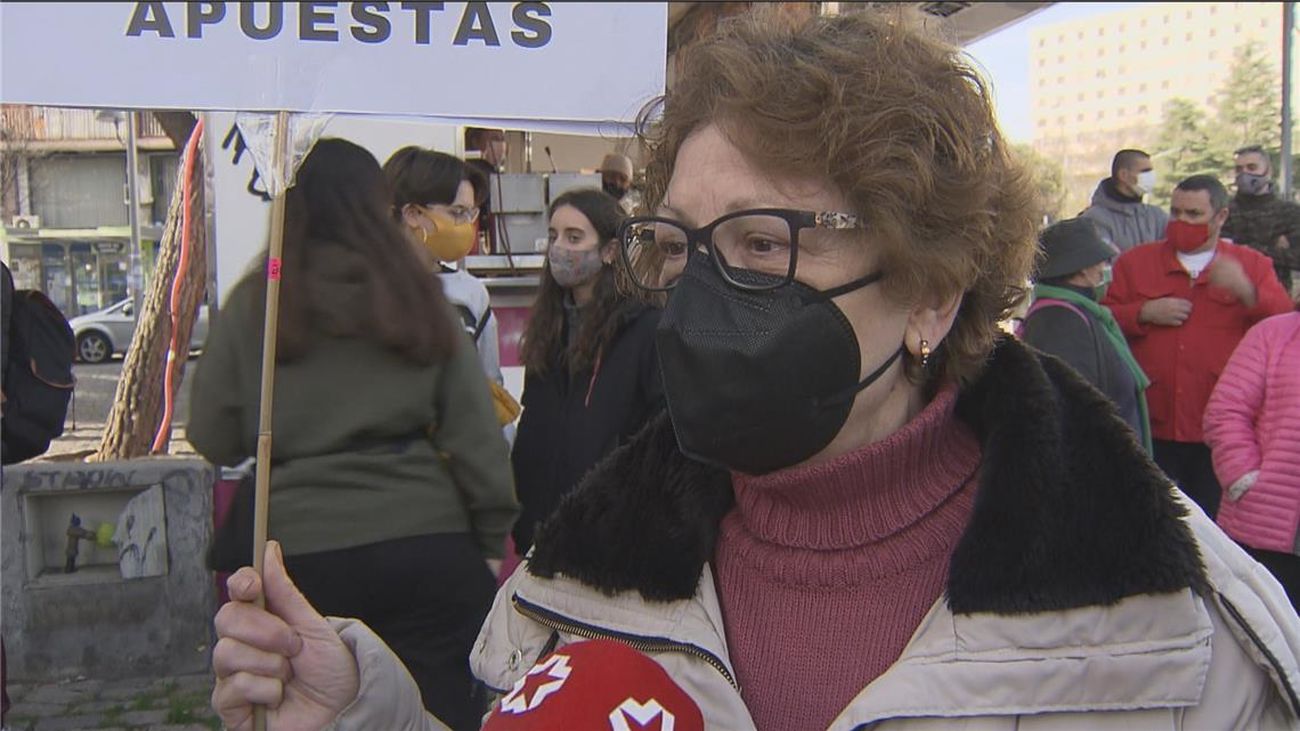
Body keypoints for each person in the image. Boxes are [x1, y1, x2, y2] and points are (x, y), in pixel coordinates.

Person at [211, 10, 1300, 731]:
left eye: (765, 244)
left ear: (931, 288)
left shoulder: (1178, 625)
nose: (695, 300)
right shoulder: (576, 582)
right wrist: (368, 711)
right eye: (680, 244)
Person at [188, 138, 517, 730]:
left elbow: (213, 433)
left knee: (303, 713)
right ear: (381, 208)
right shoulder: (420, 298)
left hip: (293, 559)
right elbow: (477, 440)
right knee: (440, 713)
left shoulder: (260, 301)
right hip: (427, 551)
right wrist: (490, 539)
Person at [1103, 174, 1293, 519]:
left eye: (1193, 214)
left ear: (1220, 217)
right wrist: (1142, 312)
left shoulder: (1250, 266)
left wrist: (1247, 292)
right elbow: (1102, 319)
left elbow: (1286, 328)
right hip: (1151, 425)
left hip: (1217, 434)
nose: (1181, 222)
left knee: (1214, 531)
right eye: (1175, 213)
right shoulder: (1135, 263)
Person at [509, 188, 662, 553]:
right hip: (540, 528)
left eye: (574, 237)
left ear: (610, 251)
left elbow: (656, 437)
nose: (559, 248)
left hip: (608, 535)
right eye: (553, 236)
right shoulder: (549, 327)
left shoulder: (644, 328)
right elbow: (536, 424)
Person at [381, 146, 517, 434]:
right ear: (413, 213)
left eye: (470, 214)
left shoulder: (470, 294)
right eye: (457, 213)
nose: (466, 225)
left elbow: (490, 389)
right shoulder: (364, 287)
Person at [1022, 218, 1151, 452]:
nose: (1104, 269)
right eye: (1100, 262)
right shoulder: (1059, 322)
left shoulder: (1078, 311)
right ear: (1082, 268)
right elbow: (1071, 410)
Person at [1204, 311, 1300, 610]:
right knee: (1269, 630)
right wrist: (1243, 477)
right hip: (1272, 522)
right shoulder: (1273, 334)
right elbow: (1225, 412)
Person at [1222, 144, 1300, 293]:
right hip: (1230, 297)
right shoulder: (1223, 211)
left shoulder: (1290, 212)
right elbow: (1219, 253)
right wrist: (1274, 250)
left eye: (1252, 168)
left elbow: (1297, 258)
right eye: (1239, 169)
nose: (1244, 174)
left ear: (1268, 171)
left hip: (1276, 298)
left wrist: (1248, 250)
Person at [1081, 148, 1167, 253]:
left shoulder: (1157, 216)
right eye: (1145, 172)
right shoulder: (1094, 219)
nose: (1151, 177)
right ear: (1123, 175)